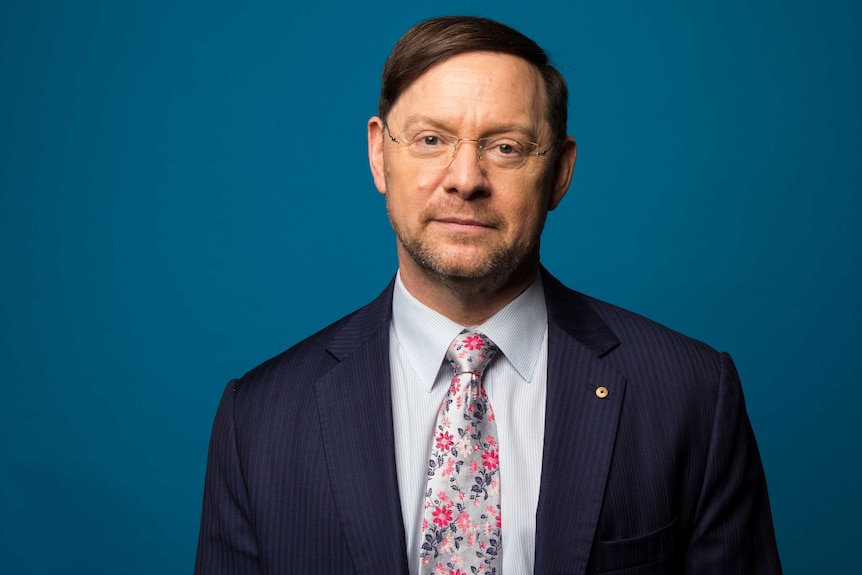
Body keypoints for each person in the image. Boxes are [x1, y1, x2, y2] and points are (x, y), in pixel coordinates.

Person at [195, 16, 781, 575]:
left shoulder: (693, 396)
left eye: (506, 147)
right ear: (379, 154)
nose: (466, 178)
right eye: (430, 139)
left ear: (560, 172)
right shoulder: (260, 421)